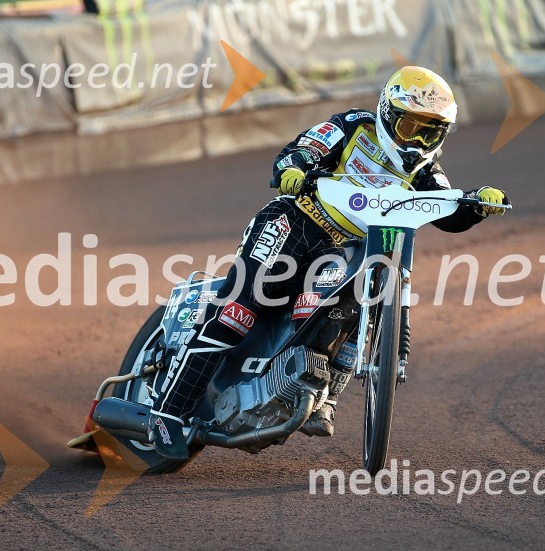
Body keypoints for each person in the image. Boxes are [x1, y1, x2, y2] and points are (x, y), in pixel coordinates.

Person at [148, 66, 510, 459]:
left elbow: (449, 212)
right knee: (237, 312)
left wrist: (478, 204)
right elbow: (302, 150)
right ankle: (167, 414)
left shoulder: (426, 172)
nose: (418, 142)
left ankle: (319, 393)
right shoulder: (354, 126)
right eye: (411, 128)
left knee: (344, 308)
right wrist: (292, 168)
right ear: (387, 114)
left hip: (338, 252)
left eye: (431, 133)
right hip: (294, 223)